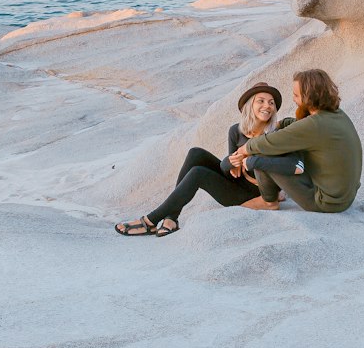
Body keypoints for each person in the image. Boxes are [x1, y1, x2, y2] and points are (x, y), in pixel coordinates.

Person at [115, 82, 284, 237]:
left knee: (198, 174)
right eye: (260, 101)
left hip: (252, 193)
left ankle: (150, 221)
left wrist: (242, 159)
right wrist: (231, 162)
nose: (267, 106)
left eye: (271, 103)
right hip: (237, 182)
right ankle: (172, 218)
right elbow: (230, 170)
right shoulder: (236, 131)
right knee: (195, 153)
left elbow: (276, 173)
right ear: (250, 106)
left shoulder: (275, 135)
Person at [229, 68, 361, 213]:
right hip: (344, 196)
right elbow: (297, 125)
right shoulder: (336, 115)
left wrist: (244, 149)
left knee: (261, 151)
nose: (294, 99)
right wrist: (281, 123)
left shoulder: (313, 125)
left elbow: (270, 142)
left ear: (309, 96)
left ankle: (268, 201)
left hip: (326, 202)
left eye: (296, 95)